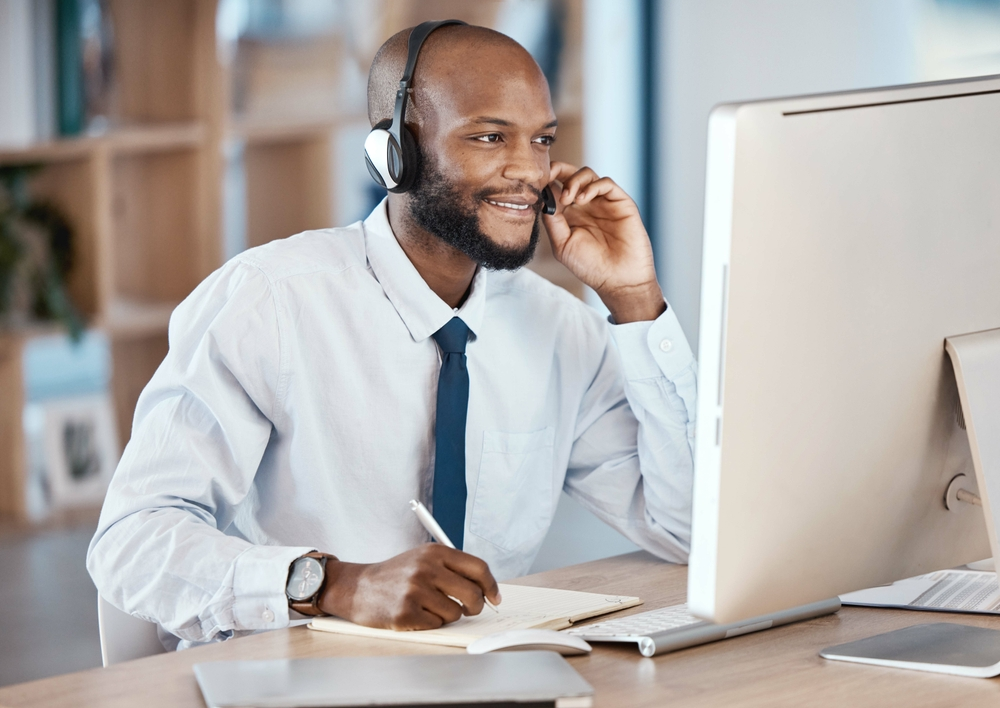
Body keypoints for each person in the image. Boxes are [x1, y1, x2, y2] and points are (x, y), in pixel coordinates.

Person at [87, 22, 696, 650]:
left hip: (480, 677)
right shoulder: (268, 303)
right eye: (490, 137)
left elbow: (690, 530)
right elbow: (131, 540)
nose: (529, 171)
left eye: (542, 140)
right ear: (394, 154)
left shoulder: (559, 328)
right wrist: (334, 584)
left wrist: (634, 301)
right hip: (289, 675)